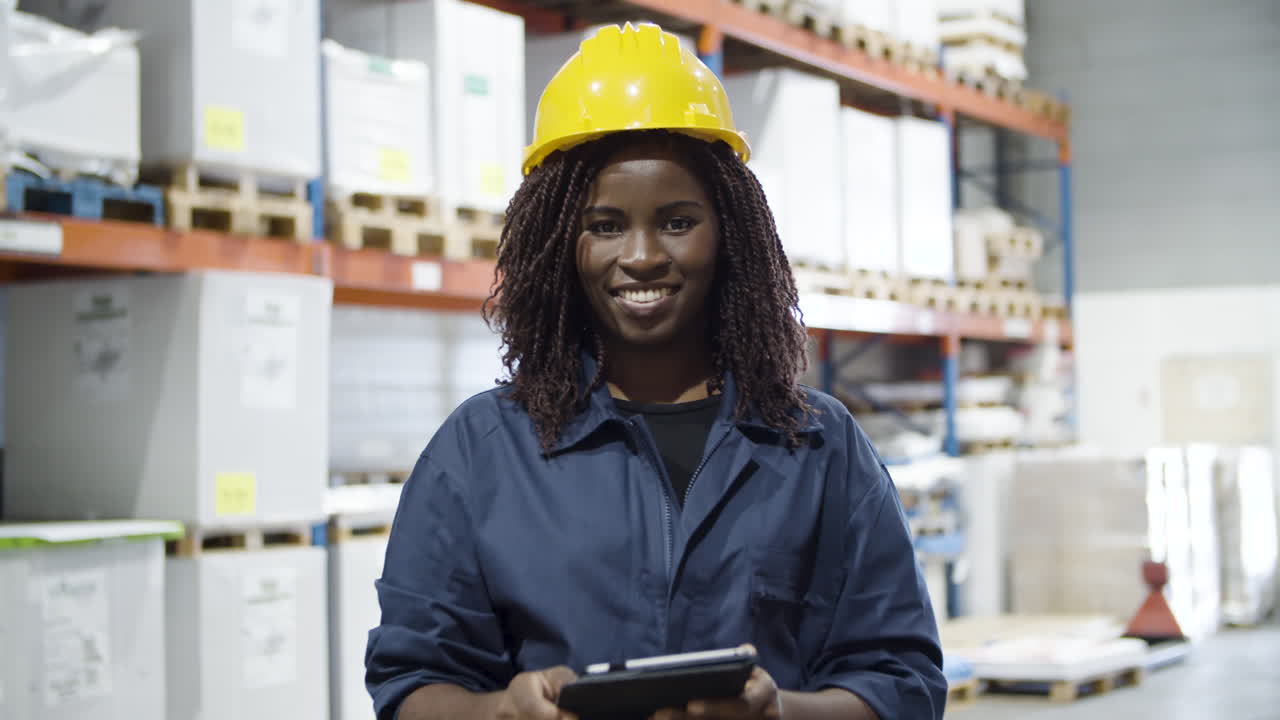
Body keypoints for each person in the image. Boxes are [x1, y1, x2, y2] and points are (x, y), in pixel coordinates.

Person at [366, 22, 945, 720]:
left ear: (729, 232)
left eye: (676, 222)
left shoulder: (818, 447)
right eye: (605, 225)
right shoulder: (481, 454)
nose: (640, 255)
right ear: (558, 243)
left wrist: (781, 714)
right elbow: (410, 685)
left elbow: (904, 682)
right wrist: (501, 713)